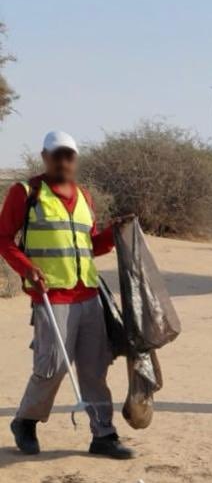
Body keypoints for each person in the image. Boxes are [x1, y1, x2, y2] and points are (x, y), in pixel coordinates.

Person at [0, 131, 135, 458]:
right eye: (56, 155)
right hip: (51, 296)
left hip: (89, 296)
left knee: (94, 367)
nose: (63, 161)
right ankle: (26, 420)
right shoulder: (26, 192)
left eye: (69, 156)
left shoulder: (84, 197)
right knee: (53, 365)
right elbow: (3, 239)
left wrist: (114, 233)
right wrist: (26, 268)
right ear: (45, 157)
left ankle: (103, 433)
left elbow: (89, 246)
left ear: (75, 159)